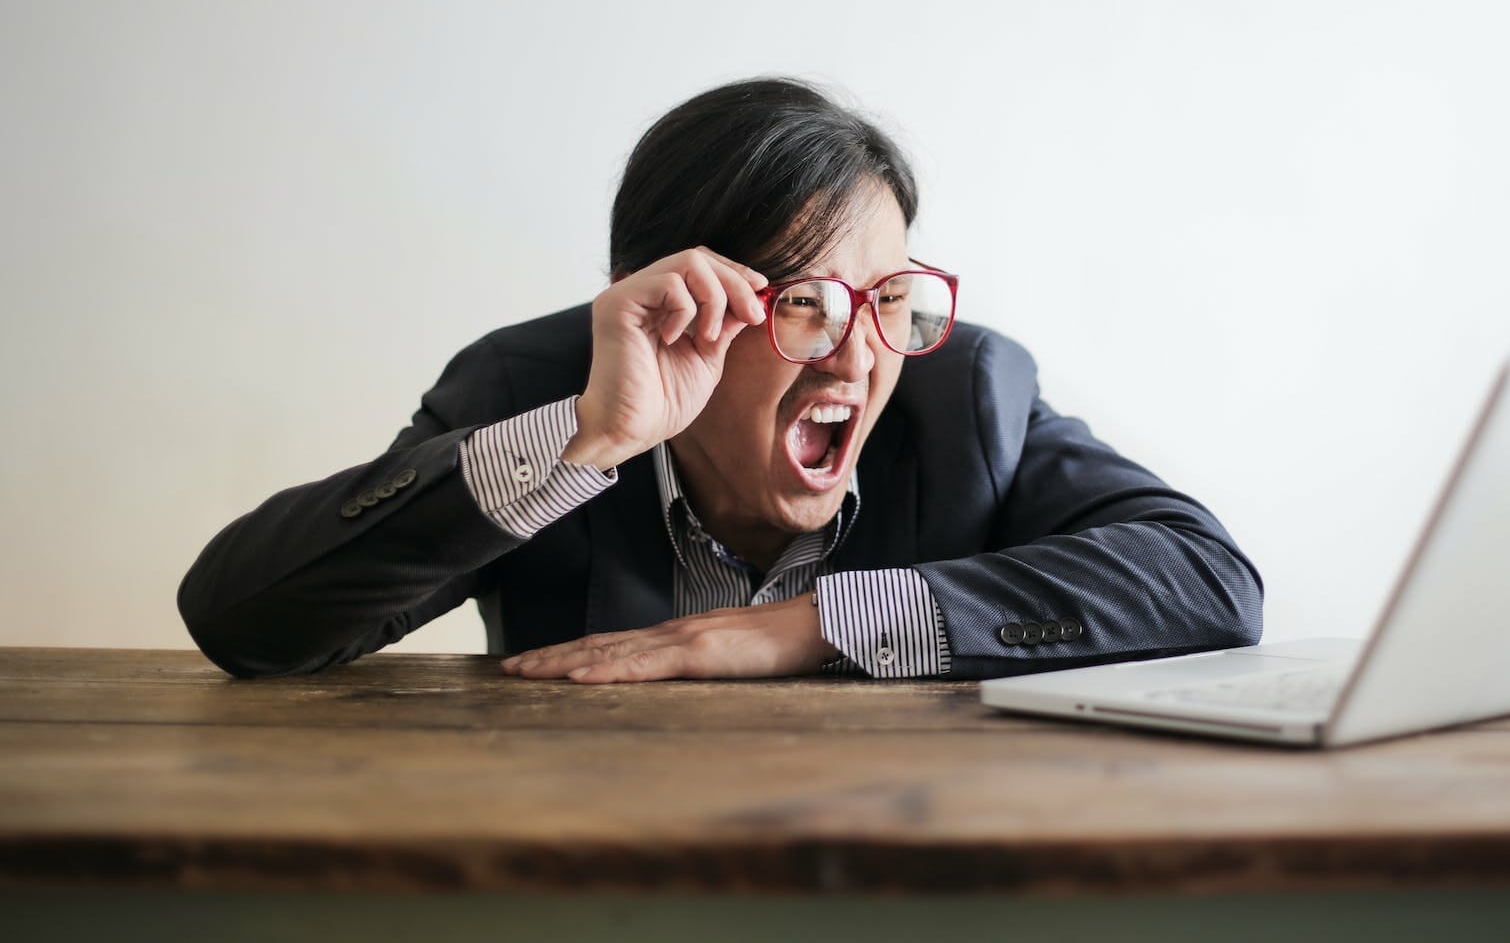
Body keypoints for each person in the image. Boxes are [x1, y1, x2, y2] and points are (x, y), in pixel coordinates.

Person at [178, 78, 1264, 682]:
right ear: (662, 299)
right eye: (801, 300)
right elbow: (242, 619)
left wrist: (804, 625)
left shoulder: (964, 390)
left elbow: (1206, 578)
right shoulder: (532, 386)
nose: (855, 353)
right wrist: (584, 443)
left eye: (888, 295)